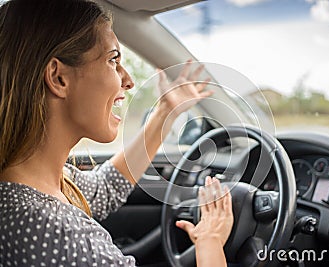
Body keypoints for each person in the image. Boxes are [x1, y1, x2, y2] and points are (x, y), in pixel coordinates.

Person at [0, 0, 234, 266]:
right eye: (113, 60)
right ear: (58, 78)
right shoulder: (59, 235)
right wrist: (210, 241)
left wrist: (166, 111)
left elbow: (107, 187)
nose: (128, 80)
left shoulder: (35, 186)